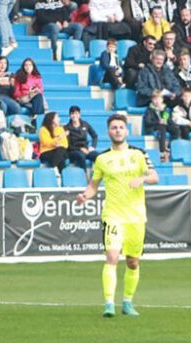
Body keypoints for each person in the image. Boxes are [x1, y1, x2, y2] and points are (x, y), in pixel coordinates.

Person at [77, 113, 159, 318]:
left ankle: (127, 302)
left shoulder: (139, 154)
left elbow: (154, 176)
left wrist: (142, 179)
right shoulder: (102, 159)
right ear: (108, 131)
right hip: (113, 215)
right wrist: (85, 196)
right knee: (112, 256)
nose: (118, 131)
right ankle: (108, 304)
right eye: (114, 127)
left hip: (136, 216)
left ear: (127, 130)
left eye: (121, 127)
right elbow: (93, 186)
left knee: (132, 262)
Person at [142, 89, 178, 161]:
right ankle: (162, 151)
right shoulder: (149, 109)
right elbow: (148, 122)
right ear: (152, 100)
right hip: (154, 126)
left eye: (158, 99)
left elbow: (169, 120)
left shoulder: (165, 109)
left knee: (175, 129)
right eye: (155, 99)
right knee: (162, 128)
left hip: (164, 125)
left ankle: (169, 147)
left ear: (162, 99)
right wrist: (158, 122)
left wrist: (166, 120)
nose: (157, 101)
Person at [13, 58, 47, 125]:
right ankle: (36, 118)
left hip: (34, 97)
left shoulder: (37, 77)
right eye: (26, 65)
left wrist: (35, 91)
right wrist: (28, 93)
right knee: (40, 101)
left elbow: (41, 90)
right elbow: (16, 93)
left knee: (39, 96)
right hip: (23, 98)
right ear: (23, 67)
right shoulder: (18, 76)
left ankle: (34, 116)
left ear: (33, 67)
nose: (28, 67)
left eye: (30, 65)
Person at [65, 105, 99, 171]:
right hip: (73, 151)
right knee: (81, 156)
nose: (74, 116)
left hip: (86, 149)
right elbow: (68, 145)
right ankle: (84, 176)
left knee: (98, 156)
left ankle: (96, 176)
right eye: (72, 113)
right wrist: (80, 149)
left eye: (76, 113)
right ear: (70, 115)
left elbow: (95, 136)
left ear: (79, 114)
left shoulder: (85, 124)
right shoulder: (66, 128)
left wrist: (92, 147)